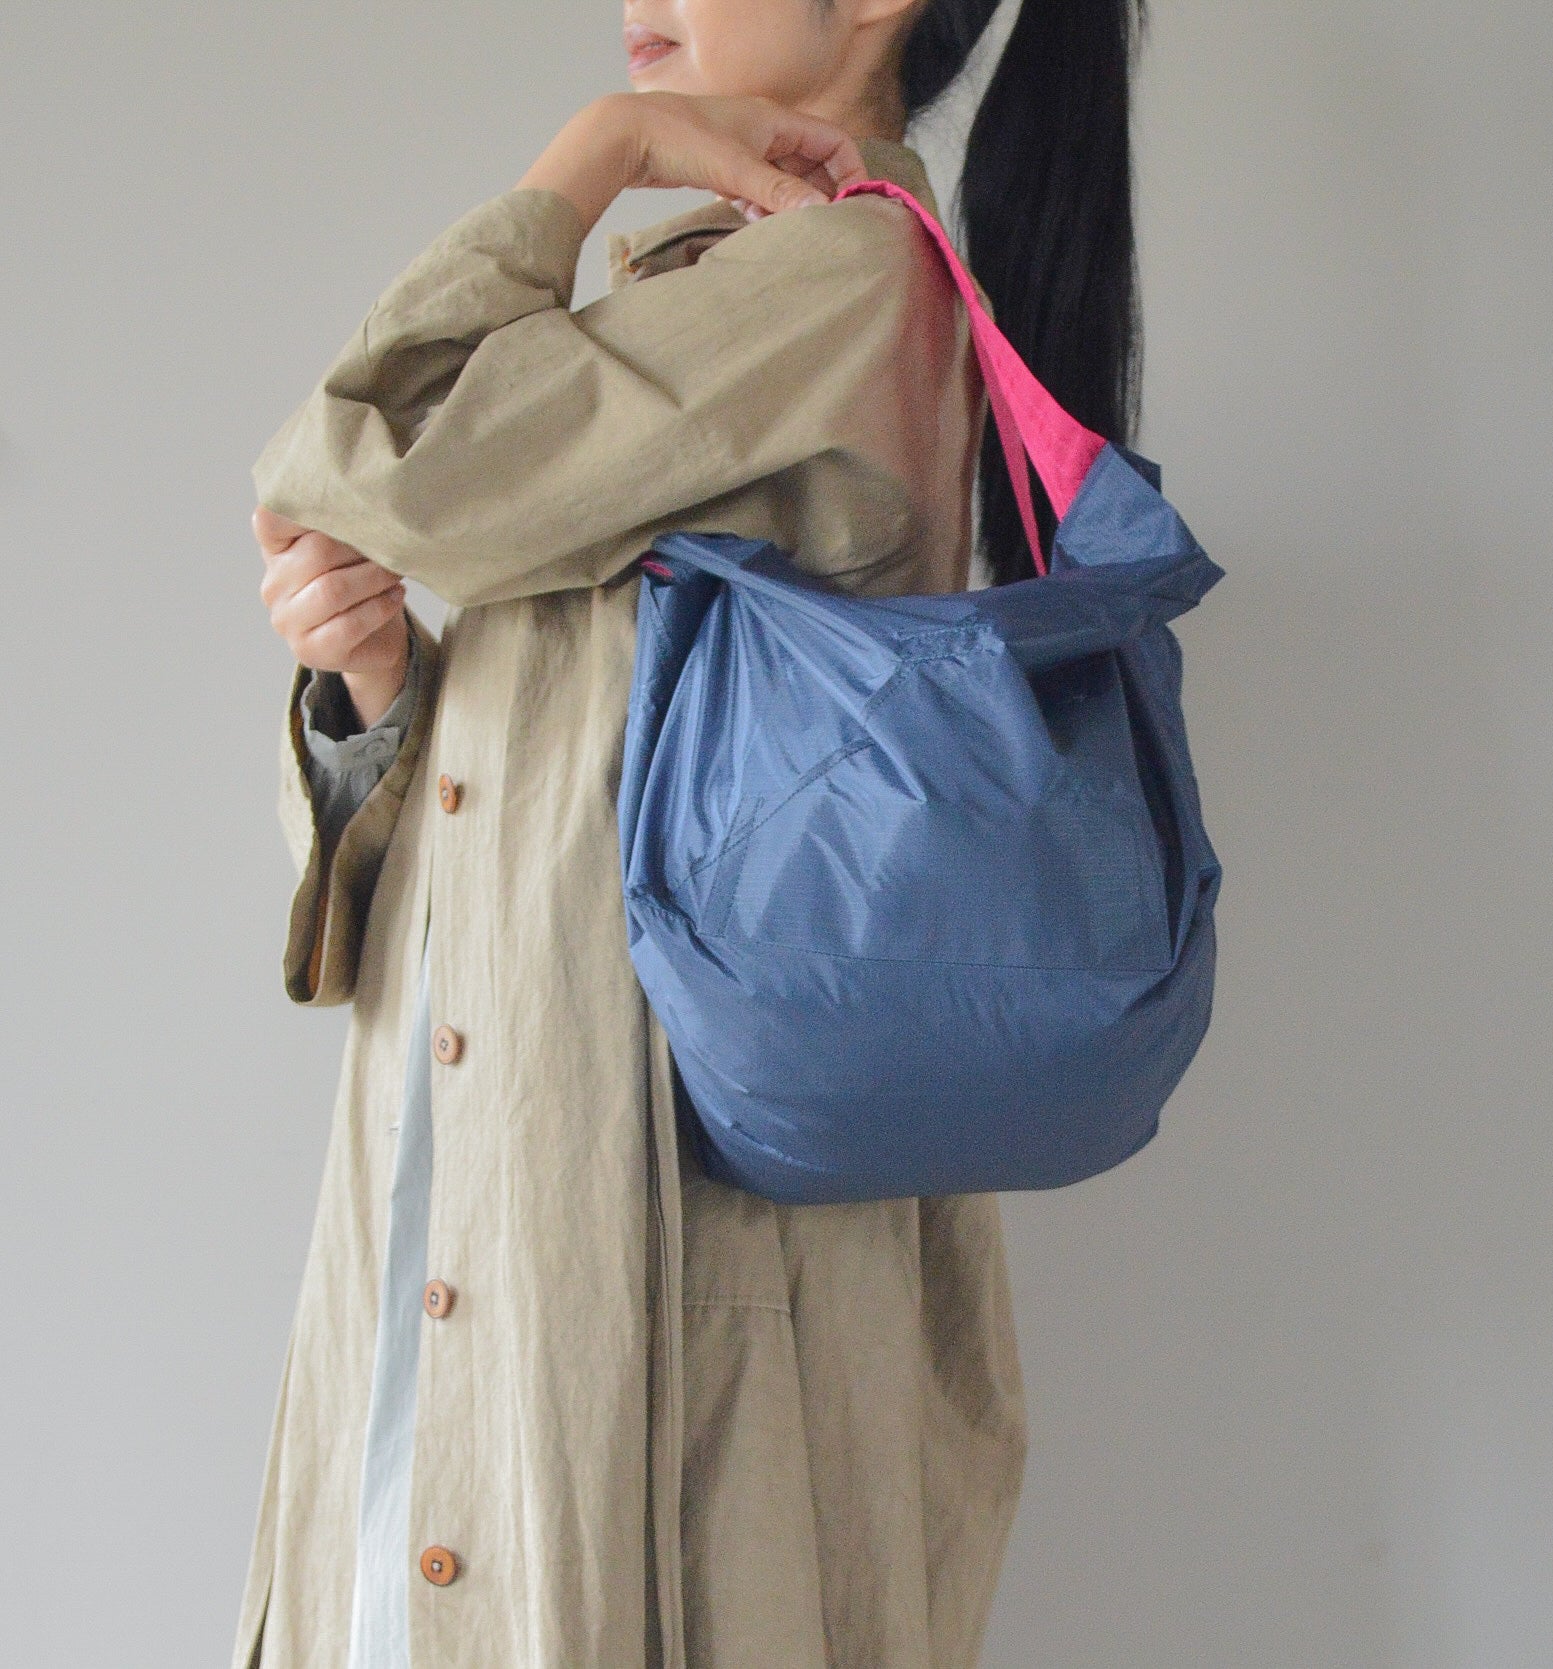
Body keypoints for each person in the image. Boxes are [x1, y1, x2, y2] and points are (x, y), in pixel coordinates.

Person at [234, 0, 1146, 1663]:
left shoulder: (833, 278)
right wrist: (377, 686)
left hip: (635, 1234)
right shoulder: (710, 305)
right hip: (496, 1180)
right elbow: (558, 763)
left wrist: (595, 153)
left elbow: (366, 463)